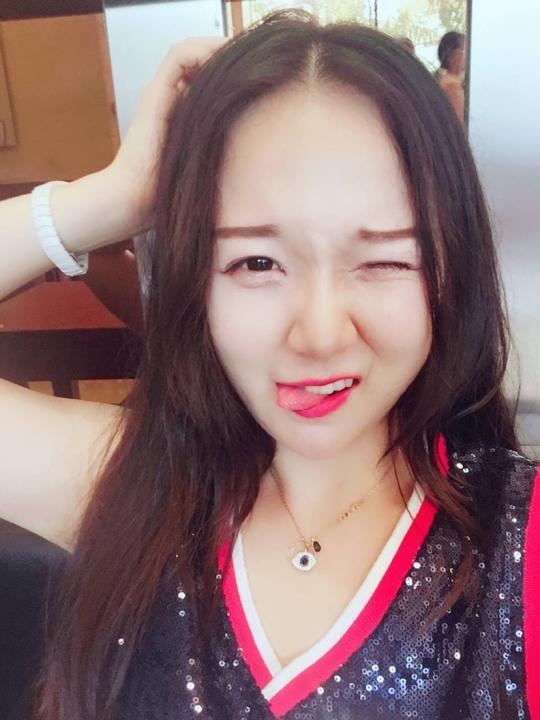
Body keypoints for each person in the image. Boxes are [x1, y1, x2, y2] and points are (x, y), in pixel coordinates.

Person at [0, 9, 538, 719]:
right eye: (256, 262)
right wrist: (110, 198)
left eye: (383, 261)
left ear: (449, 275)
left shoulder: (517, 542)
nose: (318, 335)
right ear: (197, 280)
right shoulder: (130, 485)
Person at [435, 30, 466, 122]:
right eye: (464, 49)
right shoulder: (452, 85)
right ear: (452, 54)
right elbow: (459, 121)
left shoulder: (443, 78)